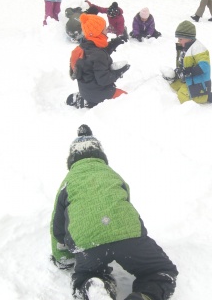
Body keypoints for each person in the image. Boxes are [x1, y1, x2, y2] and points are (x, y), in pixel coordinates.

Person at [50, 124, 178, 300]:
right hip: (128, 236)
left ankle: (95, 287)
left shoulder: (67, 184)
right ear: (101, 155)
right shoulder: (113, 176)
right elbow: (124, 205)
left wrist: (62, 258)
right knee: (159, 271)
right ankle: (145, 295)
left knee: (87, 275)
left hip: (88, 243)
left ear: (71, 160)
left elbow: (57, 228)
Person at [66, 14, 130, 109]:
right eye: (105, 28)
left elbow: (97, 54)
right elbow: (104, 80)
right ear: (98, 32)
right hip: (98, 92)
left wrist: (114, 43)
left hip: (86, 89)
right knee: (126, 98)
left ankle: (85, 98)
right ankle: (91, 103)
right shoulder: (98, 55)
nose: (107, 30)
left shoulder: (85, 46)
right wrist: (119, 71)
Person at [162, 20, 212, 104]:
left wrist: (188, 71)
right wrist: (177, 72)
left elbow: (205, 66)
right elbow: (181, 63)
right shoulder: (184, 47)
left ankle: (205, 96)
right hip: (188, 79)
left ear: (189, 38)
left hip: (198, 83)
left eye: (180, 39)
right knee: (172, 85)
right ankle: (187, 90)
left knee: (182, 96)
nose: (178, 41)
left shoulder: (198, 48)